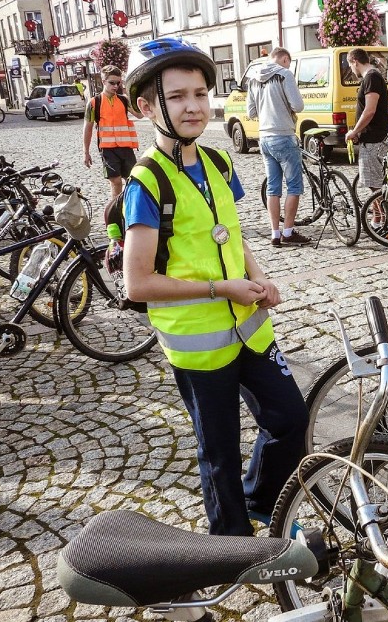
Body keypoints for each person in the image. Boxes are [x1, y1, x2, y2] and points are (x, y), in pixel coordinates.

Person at [122, 37, 308, 537]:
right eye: (178, 95)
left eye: (201, 93)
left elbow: (234, 235)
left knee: (290, 418)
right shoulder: (147, 183)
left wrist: (259, 276)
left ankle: (261, 502)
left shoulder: (220, 164)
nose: (193, 106)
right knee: (220, 449)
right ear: (146, 107)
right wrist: (220, 289)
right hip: (198, 342)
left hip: (249, 326)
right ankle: (230, 544)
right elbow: (137, 282)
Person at [246, 47, 311, 247]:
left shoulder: (253, 78)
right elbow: (298, 106)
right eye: (288, 63)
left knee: (273, 188)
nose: (288, 66)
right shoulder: (285, 75)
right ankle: (288, 232)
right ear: (284, 59)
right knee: (294, 186)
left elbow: (250, 112)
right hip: (283, 135)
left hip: (264, 137)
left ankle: (275, 234)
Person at [83, 64, 142, 202]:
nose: (115, 86)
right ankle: (116, 212)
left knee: (133, 180)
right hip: (108, 150)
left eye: (118, 83)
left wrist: (136, 96)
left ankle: (131, 207)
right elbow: (88, 128)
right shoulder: (94, 103)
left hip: (126, 148)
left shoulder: (123, 99)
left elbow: (139, 115)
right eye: (112, 83)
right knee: (115, 182)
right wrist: (86, 152)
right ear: (103, 81)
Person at [344, 48, 388, 219]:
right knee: (374, 183)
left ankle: (382, 220)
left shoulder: (371, 77)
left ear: (355, 61)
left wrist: (354, 131)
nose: (351, 69)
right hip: (373, 137)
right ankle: (378, 218)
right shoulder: (373, 76)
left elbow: (370, 110)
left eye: (350, 65)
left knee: (375, 184)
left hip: (374, 138)